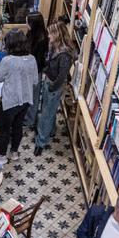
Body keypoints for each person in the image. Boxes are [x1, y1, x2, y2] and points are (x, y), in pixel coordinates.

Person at [0, 30, 38, 162]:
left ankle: (1, 156)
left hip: (10, 100)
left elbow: (0, 79)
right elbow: (35, 81)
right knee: (18, 126)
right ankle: (14, 152)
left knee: (4, 128)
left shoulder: (7, 60)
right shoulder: (32, 59)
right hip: (26, 99)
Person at [34, 21, 77, 155]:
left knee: (46, 114)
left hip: (54, 85)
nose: (48, 36)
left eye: (50, 33)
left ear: (57, 34)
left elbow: (61, 77)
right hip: (49, 79)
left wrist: (52, 87)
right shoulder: (54, 45)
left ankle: (40, 142)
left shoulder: (65, 55)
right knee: (48, 108)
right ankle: (51, 131)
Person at [23, 11, 48, 129]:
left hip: (34, 72)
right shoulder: (31, 33)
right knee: (27, 94)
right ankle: (26, 115)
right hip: (27, 68)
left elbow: (38, 61)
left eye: (27, 22)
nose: (26, 24)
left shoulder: (42, 40)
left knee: (33, 96)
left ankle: (30, 120)